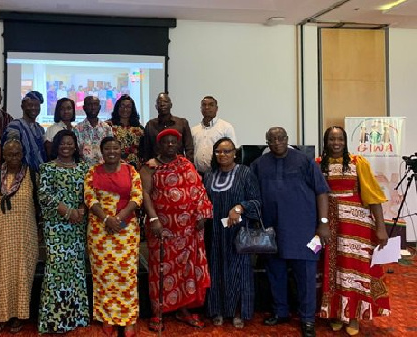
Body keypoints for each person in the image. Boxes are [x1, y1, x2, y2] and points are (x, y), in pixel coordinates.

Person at [250, 127, 330, 337]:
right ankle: (280, 311)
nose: (277, 142)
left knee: (305, 275)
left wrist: (323, 223)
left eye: (281, 138)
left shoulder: (304, 161)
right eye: (272, 139)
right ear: (266, 142)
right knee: (275, 273)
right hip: (271, 230)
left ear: (287, 139)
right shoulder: (259, 164)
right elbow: (251, 194)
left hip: (303, 229)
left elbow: (322, 192)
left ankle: (307, 319)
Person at [317, 126, 391, 336]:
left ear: (345, 141)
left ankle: (354, 316)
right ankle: (337, 313)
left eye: (340, 139)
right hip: (330, 225)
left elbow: (373, 197)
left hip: (356, 225)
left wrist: (380, 227)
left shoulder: (359, 163)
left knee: (355, 270)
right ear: (326, 142)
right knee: (333, 270)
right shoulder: (318, 164)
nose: (336, 143)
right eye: (332, 139)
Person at [140, 128, 212, 332]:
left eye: (174, 142)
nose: (170, 145)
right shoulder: (150, 167)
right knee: (160, 269)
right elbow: (144, 194)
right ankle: (158, 312)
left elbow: (199, 190)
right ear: (159, 146)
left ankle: (184, 309)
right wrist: (153, 219)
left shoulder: (186, 164)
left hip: (188, 230)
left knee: (186, 270)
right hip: (162, 229)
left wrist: (201, 214)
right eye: (166, 142)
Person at [84, 137, 142, 337]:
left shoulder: (130, 171)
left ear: (121, 150)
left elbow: (137, 197)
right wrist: (107, 219)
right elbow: (89, 198)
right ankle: (107, 317)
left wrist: (119, 218)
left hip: (126, 228)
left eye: (115, 148)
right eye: (107, 148)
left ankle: (128, 320)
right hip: (100, 230)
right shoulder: (93, 171)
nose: (111, 151)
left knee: (126, 275)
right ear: (101, 151)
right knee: (103, 275)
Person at [0, 139, 40, 334]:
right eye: (9, 154)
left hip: (26, 235)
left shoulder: (32, 176)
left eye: (16, 154)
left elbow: (40, 206)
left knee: (22, 274)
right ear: (3, 155)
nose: (13, 157)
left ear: (22, 154)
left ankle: (18, 316)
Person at [203, 138, 260, 328]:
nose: (223, 155)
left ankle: (238, 312)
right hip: (214, 234)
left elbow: (256, 201)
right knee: (216, 270)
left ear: (235, 153)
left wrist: (240, 207)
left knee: (238, 272)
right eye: (219, 151)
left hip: (238, 233)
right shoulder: (209, 175)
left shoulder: (245, 172)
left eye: (227, 151)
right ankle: (218, 309)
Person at [37, 130, 89, 333]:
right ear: (56, 146)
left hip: (77, 227)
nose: (66, 147)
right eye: (62, 143)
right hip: (56, 227)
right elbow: (44, 195)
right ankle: (54, 320)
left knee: (76, 271)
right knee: (56, 271)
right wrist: (68, 212)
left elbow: (90, 193)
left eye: (70, 143)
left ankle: (76, 317)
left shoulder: (84, 168)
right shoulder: (47, 168)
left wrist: (82, 211)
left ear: (75, 146)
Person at [141, 92, 194, 163]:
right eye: (159, 102)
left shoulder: (182, 123)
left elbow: (189, 148)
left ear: (171, 105)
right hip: (157, 168)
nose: (162, 104)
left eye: (165, 101)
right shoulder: (150, 125)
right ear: (156, 106)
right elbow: (146, 150)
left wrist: (188, 167)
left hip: (178, 167)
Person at [2, 92, 47, 171]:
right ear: (22, 106)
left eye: (37, 105)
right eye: (30, 105)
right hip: (21, 176)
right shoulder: (15, 126)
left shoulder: (40, 129)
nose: (34, 108)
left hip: (39, 175)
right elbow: (11, 152)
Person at [191, 96, 237, 175]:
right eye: (204, 105)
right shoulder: (194, 130)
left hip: (219, 174)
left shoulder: (226, 127)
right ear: (201, 108)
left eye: (211, 105)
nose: (207, 107)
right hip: (198, 174)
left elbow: (233, 151)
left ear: (217, 108)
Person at [106, 95, 145, 170]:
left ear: (132, 109)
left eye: (128, 107)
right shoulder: (108, 126)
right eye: (122, 106)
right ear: (117, 107)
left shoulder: (140, 129)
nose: (125, 109)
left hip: (135, 168)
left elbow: (143, 150)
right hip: (114, 166)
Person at [74, 96, 113, 165]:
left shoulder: (107, 128)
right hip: (84, 170)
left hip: (103, 170)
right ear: (84, 108)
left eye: (95, 104)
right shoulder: (77, 129)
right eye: (89, 104)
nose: (93, 107)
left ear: (100, 107)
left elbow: (110, 151)